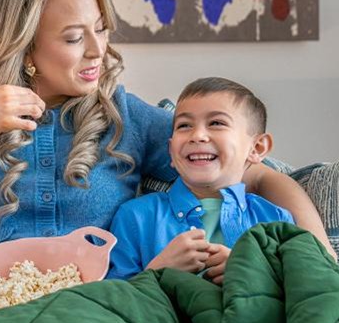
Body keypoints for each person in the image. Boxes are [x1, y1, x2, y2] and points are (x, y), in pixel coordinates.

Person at [0, 0, 333, 285]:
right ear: (25, 47)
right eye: (75, 38)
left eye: (101, 29)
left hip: (97, 319)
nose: (98, 51)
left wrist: (318, 254)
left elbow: (254, 174)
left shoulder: (125, 116)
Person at [107, 77, 294, 283]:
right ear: (171, 151)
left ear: (256, 148)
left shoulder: (276, 220)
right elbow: (109, 297)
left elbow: (300, 288)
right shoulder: (135, 216)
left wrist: (252, 272)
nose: (197, 135)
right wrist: (157, 272)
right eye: (184, 125)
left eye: (216, 123)